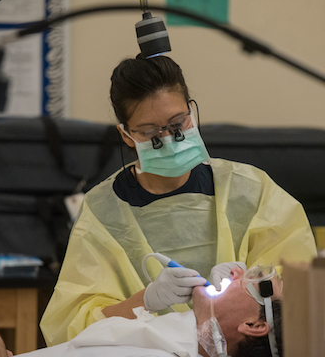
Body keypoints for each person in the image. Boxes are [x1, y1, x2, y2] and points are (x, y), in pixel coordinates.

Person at [40, 55, 317, 345]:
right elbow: (72, 327)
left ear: (191, 112)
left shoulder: (250, 191)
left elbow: (300, 290)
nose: (169, 139)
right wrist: (146, 301)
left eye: (177, 124)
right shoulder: (104, 211)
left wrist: (247, 281)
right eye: (150, 133)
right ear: (126, 135)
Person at [0, 266, 283, 357]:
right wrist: (145, 300)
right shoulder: (163, 343)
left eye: (256, 279)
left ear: (254, 325)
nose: (237, 271)